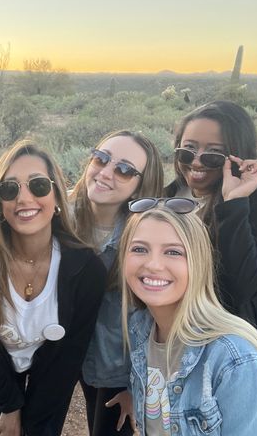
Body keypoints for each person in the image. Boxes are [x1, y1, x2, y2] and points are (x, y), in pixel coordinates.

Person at [120, 198, 257, 435]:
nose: (153, 264)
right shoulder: (141, 328)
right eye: (139, 249)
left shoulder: (235, 360)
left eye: (173, 252)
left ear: (198, 262)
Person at [0, 140, 107, 436]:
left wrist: (32, 424)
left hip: (50, 372)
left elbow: (67, 360)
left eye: (37, 185)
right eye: (9, 189)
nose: (24, 199)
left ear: (57, 195)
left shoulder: (87, 270)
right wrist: (9, 406)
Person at [165, 100, 257, 383]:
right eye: (188, 149)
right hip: (192, 331)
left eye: (214, 154)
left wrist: (234, 203)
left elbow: (244, 287)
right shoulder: (172, 195)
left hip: (249, 340)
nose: (196, 161)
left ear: (236, 155)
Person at [71, 130, 164, 435]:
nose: (106, 172)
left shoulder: (143, 243)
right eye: (101, 158)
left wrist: (133, 387)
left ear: (140, 186)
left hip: (117, 372)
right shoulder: (60, 221)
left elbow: (156, 320)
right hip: (69, 357)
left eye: (125, 170)